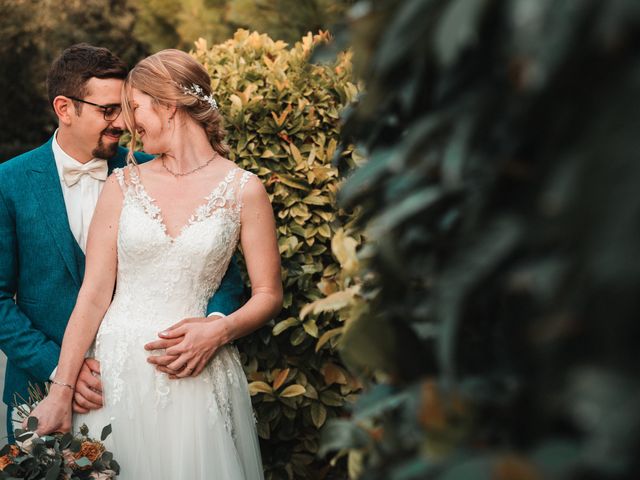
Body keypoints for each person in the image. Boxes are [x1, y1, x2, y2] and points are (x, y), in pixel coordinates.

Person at [26, 49, 282, 479]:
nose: (126, 123)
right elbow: (92, 296)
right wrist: (61, 389)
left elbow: (268, 294)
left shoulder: (244, 190)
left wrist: (221, 328)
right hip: (116, 377)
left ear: (168, 104)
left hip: (196, 376)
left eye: (135, 108)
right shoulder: (122, 183)